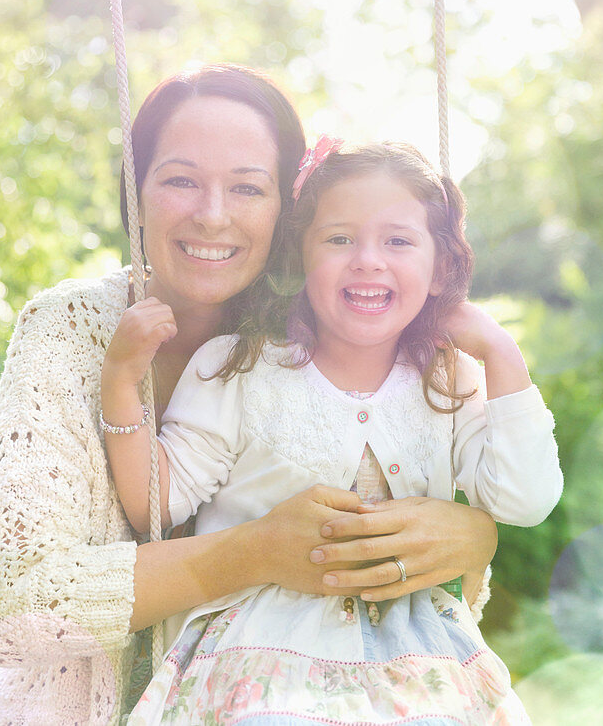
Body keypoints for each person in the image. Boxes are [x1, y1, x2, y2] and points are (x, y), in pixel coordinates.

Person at [0, 67, 499, 726]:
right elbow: (10, 607)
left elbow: (425, 614)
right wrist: (249, 554)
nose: (212, 215)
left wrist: (473, 539)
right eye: (180, 180)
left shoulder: (330, 340)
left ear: (289, 210)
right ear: (136, 193)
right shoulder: (69, 330)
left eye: (247, 187)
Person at [103, 138, 563, 725]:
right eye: (339, 238)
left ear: (441, 265)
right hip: (264, 657)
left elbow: (525, 501)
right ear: (300, 256)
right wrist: (122, 378)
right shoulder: (238, 367)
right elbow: (155, 504)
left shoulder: (451, 382)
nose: (368, 259)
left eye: (398, 240)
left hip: (416, 663)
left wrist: (500, 351)